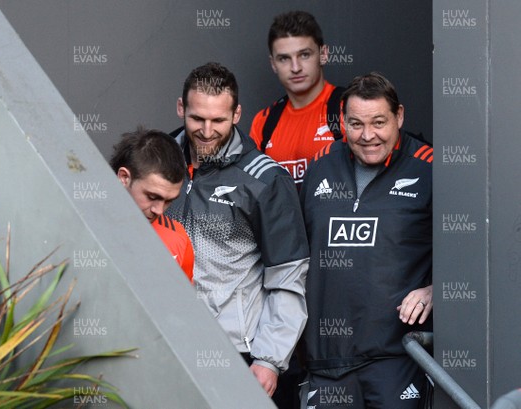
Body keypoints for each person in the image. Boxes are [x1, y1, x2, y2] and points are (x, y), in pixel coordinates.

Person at [166, 62, 309, 397]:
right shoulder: (159, 162)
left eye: (218, 120)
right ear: (180, 108)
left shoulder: (265, 179)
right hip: (169, 338)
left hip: (235, 350)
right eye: (196, 118)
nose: (206, 130)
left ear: (237, 114)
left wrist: (269, 359)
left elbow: (288, 275)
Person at [299, 72, 433, 408]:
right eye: (356, 124)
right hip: (327, 362)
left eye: (379, 122)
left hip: (395, 360)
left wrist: (437, 289)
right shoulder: (320, 167)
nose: (368, 135)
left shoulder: (430, 169)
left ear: (399, 116)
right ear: (342, 121)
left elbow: (469, 254)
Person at [250, 10, 345, 186]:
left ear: (323, 54)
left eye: (304, 55)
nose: (295, 67)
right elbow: (255, 193)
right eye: (284, 58)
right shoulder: (263, 123)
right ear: (273, 64)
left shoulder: (347, 109)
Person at [109, 127, 194, 282]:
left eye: (169, 200)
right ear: (123, 178)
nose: (159, 210)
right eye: (152, 196)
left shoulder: (178, 239)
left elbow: (179, 304)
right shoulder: (80, 221)